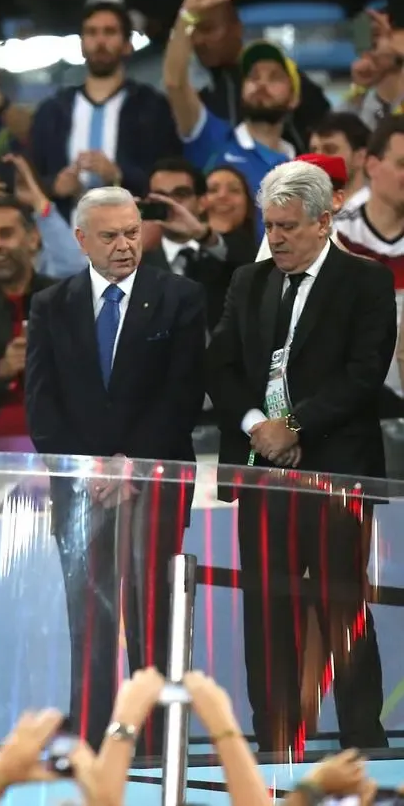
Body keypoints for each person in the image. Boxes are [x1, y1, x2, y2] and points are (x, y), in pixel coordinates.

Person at [206, 160, 391, 753]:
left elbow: (365, 375)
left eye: (287, 226)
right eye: (270, 226)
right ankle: (276, 740)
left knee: (344, 609)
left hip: (337, 478)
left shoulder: (366, 281)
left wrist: (297, 425)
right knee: (267, 610)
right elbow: (221, 365)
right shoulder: (248, 282)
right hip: (264, 482)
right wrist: (258, 424)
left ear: (323, 220)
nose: (276, 238)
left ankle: (363, 740)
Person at [24, 185, 206, 755]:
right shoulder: (51, 305)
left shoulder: (179, 296)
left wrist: (131, 464)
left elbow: (182, 394)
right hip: (80, 486)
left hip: (153, 480)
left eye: (132, 232)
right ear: (81, 240)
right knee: (89, 615)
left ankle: (153, 743)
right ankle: (89, 740)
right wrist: (87, 469)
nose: (125, 245)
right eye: (110, 236)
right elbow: (41, 404)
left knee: (153, 612)